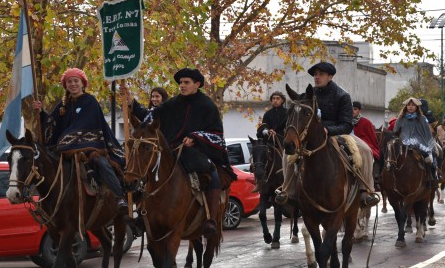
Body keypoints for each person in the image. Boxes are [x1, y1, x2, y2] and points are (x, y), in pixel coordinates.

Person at [126, 68, 235, 238]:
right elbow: (150, 116)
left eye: (186, 83)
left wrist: (195, 137)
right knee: (148, 169)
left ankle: (211, 219)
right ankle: (142, 214)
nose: (182, 86)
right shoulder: (173, 103)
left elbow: (217, 135)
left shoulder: (208, 106)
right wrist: (132, 103)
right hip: (171, 148)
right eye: (181, 83)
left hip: (196, 150)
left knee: (211, 171)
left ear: (197, 84)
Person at [275, 62, 379, 208]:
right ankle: (289, 191)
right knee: (288, 155)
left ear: (330, 76)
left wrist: (327, 130)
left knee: (366, 151)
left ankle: (366, 191)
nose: (317, 77)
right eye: (315, 74)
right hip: (311, 136)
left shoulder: (343, 96)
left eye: (321, 74)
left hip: (338, 134)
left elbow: (347, 125)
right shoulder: (308, 96)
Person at [32, 68, 128, 212]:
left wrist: (70, 137)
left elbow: (88, 123)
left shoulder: (90, 101)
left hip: (90, 146)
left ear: (82, 83)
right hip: (66, 148)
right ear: (66, 85)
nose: (73, 84)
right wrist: (41, 113)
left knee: (101, 163)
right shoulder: (63, 105)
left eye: (76, 81)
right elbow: (52, 123)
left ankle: (119, 196)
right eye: (69, 82)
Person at [393, 97, 437, 187]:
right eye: (409, 105)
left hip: (420, 142)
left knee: (429, 158)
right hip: (403, 142)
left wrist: (431, 146)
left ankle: (431, 177)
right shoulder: (400, 118)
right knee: (389, 156)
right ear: (406, 106)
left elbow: (428, 133)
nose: (410, 107)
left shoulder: (422, 118)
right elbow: (395, 131)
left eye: (413, 105)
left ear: (417, 107)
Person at [251, 91, 288, 192]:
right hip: (270, 143)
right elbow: (263, 127)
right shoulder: (267, 114)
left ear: (282, 100)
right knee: (258, 159)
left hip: (284, 143)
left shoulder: (287, 112)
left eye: (277, 98)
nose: (275, 101)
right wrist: (267, 131)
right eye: (273, 99)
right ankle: (259, 183)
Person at [352, 101, 381, 190]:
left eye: (355, 109)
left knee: (367, 155)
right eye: (351, 109)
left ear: (359, 110)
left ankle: (369, 183)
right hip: (349, 143)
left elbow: (372, 138)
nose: (352, 111)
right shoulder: (344, 120)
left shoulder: (366, 122)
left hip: (363, 145)